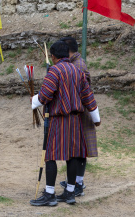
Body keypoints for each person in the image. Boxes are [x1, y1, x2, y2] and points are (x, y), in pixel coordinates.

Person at [30, 40, 101, 207]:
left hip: (59, 120)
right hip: (76, 121)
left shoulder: (55, 71)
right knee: (73, 156)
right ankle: (69, 192)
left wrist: (33, 101)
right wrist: (96, 118)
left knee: (51, 156)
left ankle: (49, 194)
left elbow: (44, 96)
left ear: (53, 57)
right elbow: (88, 97)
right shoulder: (78, 71)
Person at [58, 37, 97, 197]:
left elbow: (83, 91)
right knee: (79, 150)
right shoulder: (75, 63)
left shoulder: (78, 65)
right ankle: (75, 182)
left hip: (80, 112)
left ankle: (77, 184)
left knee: (80, 150)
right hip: (79, 110)